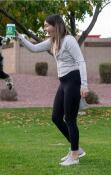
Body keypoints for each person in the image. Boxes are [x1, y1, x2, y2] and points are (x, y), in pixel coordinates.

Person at [16, 14, 89, 166]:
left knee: (70, 119)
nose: (45, 29)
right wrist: (20, 37)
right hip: (63, 82)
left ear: (56, 25)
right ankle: (77, 149)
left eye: (46, 26)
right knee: (56, 117)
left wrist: (84, 84)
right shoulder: (52, 42)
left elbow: (80, 61)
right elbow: (34, 48)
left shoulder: (69, 40)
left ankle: (74, 155)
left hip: (74, 80)